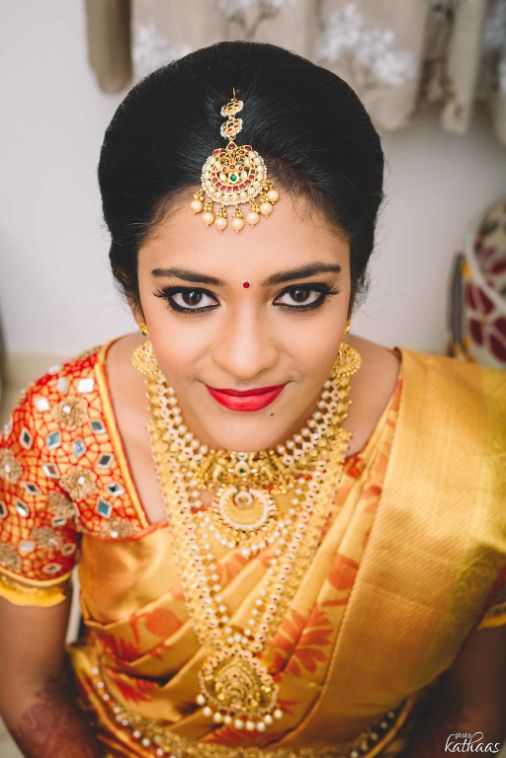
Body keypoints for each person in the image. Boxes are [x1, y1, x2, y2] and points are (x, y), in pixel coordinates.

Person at [0, 40, 505, 758]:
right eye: (190, 297)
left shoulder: (483, 447)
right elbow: (27, 686)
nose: (245, 359)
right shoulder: (64, 429)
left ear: (355, 280)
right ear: (133, 293)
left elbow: (478, 711)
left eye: (300, 295)